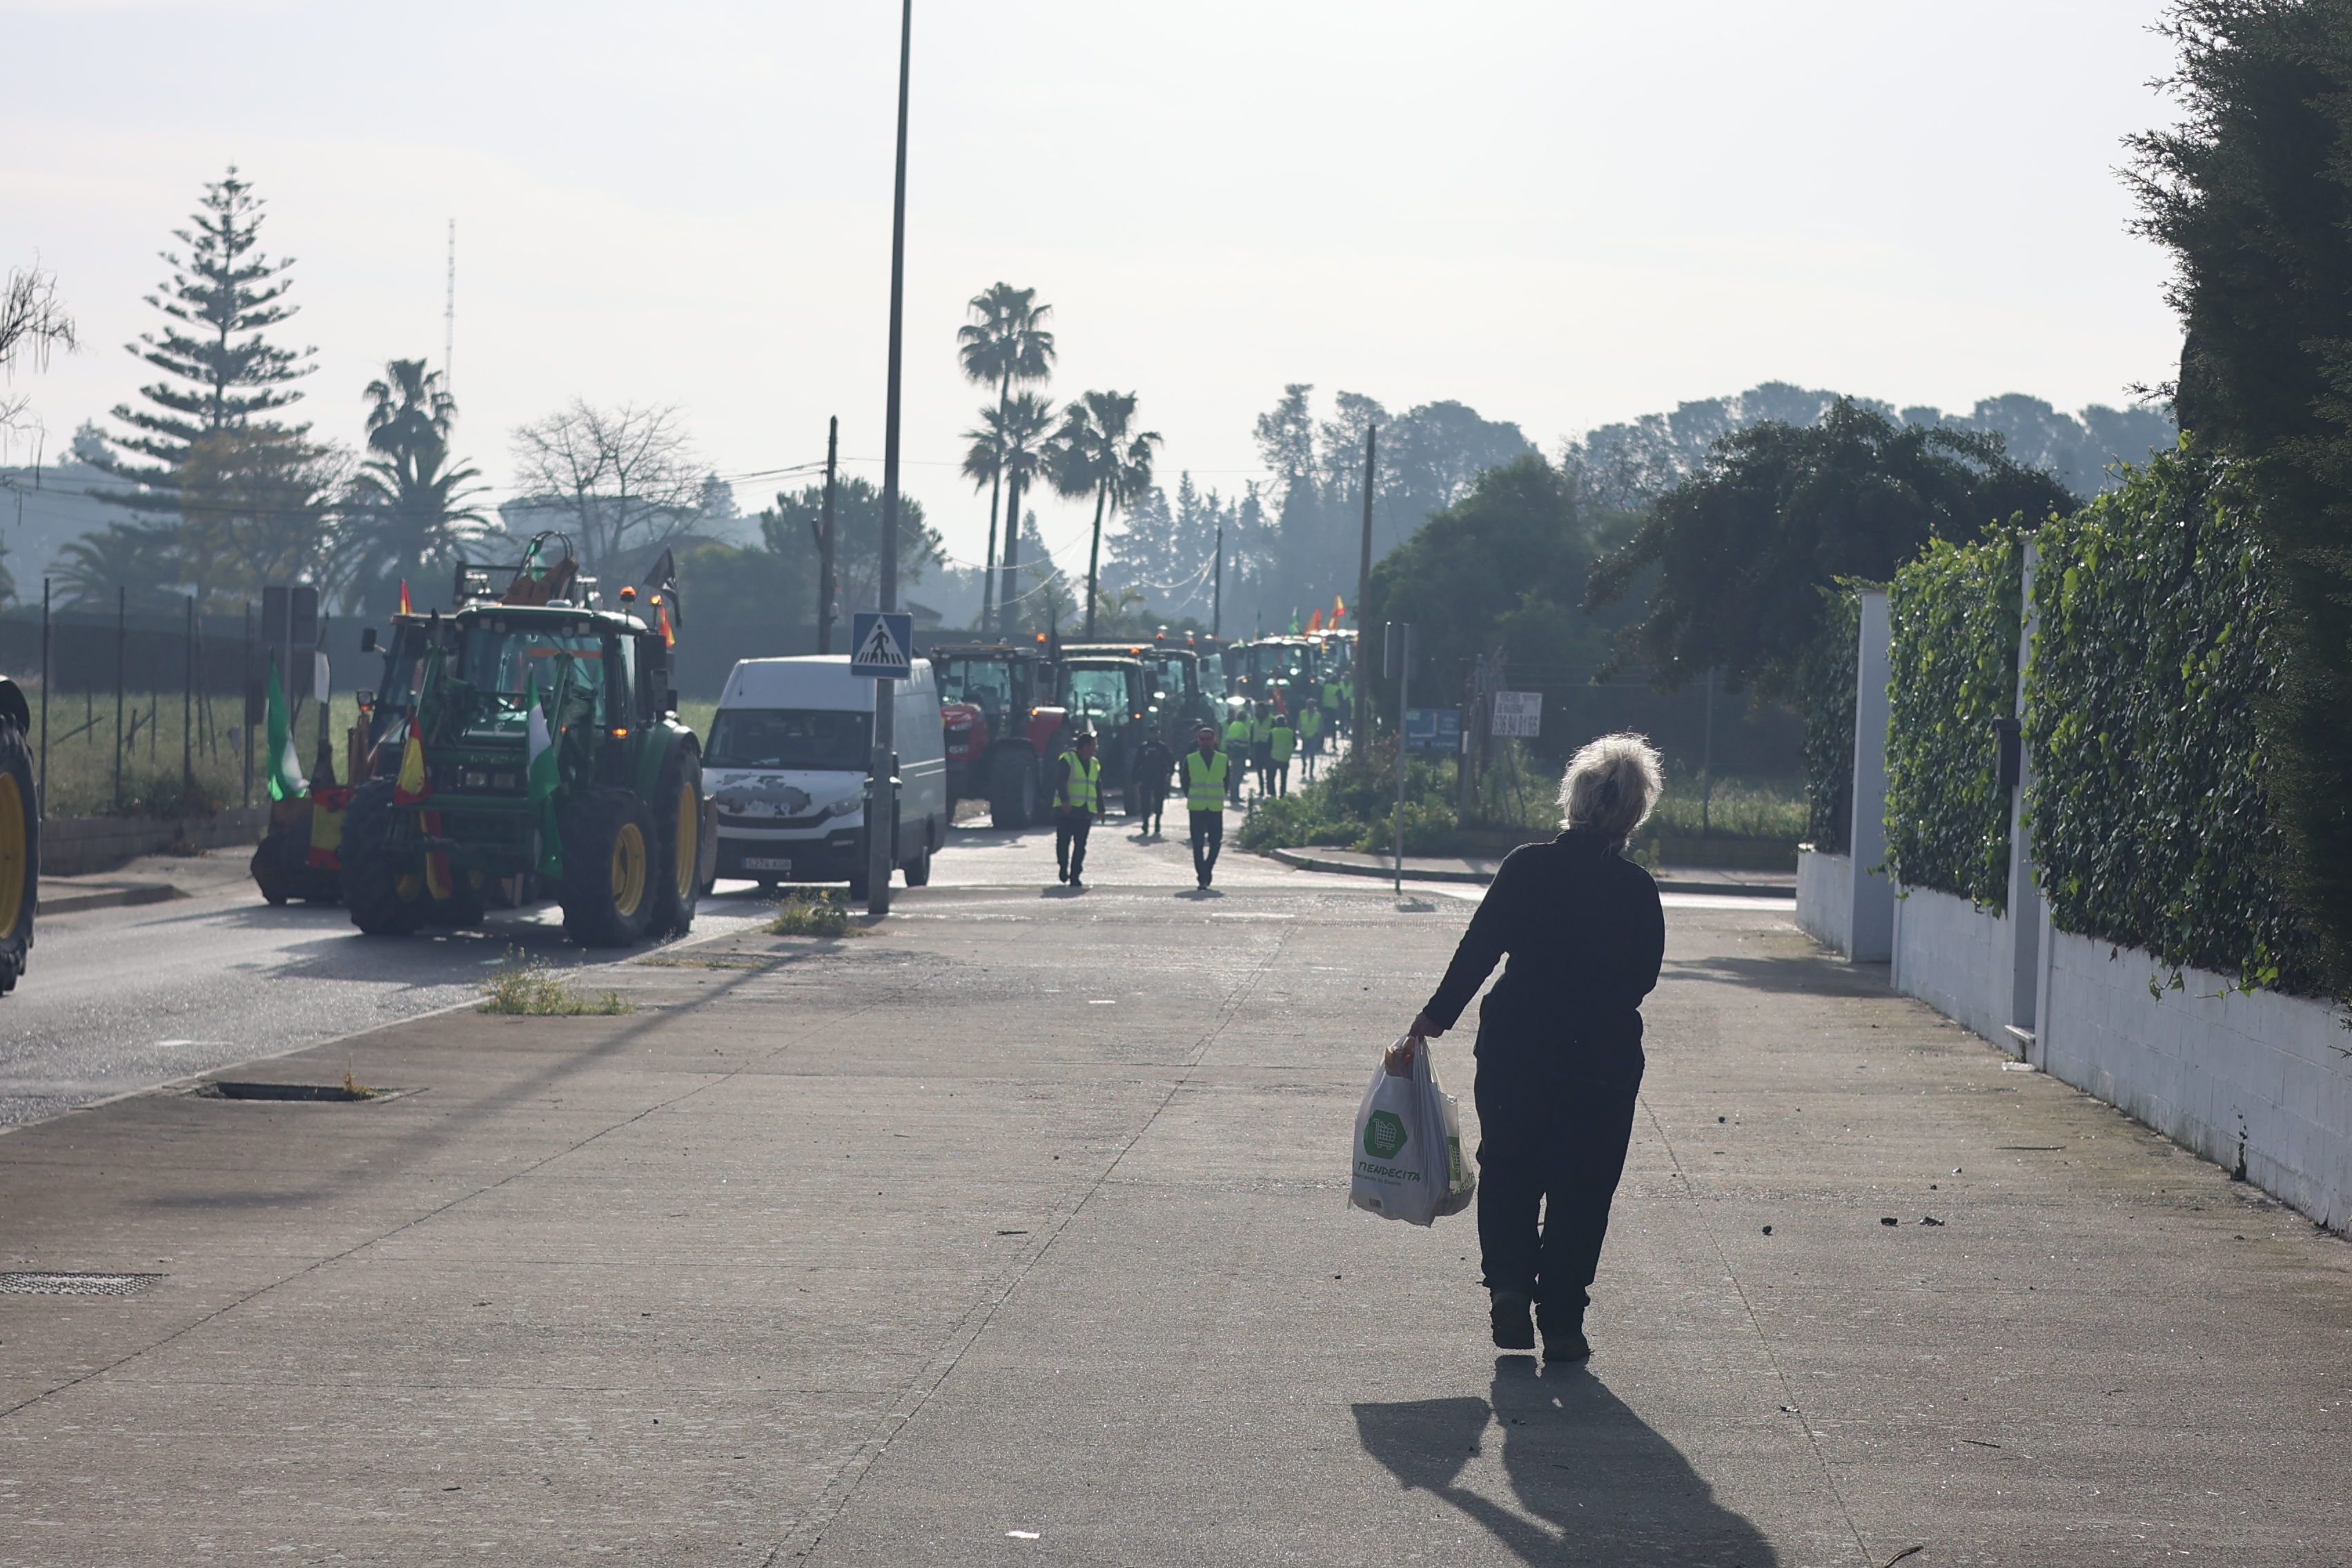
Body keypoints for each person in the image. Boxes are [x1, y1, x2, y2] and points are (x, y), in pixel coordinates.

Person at [1391, 733, 1666, 1365]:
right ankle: (1563, 1321)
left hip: (1517, 1044)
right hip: (1601, 1057)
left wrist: (1434, 1019)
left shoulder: (1526, 867)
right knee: (1584, 1184)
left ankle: (1510, 1288)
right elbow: (1642, 978)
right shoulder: (1636, 889)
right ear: (1633, 813)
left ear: (1575, 799)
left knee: (1510, 1167)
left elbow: (1479, 949)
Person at [1179, 724, 1230, 890]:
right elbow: (1185, 781)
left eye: (1209, 739)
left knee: (1216, 842)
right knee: (1198, 843)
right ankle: (1202, 876)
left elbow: (1227, 782)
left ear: (1214, 740)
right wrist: (1192, 796)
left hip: (1215, 807)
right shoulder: (1191, 759)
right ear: (1198, 741)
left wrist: (1220, 795)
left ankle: (1207, 868)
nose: (1206, 742)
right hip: (1197, 808)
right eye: (1203, 739)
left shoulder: (1223, 759)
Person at [1053, 729, 1105, 889]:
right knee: (1063, 843)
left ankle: (1075, 875)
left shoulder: (1094, 763)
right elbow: (1060, 782)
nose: (1096, 749)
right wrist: (1065, 801)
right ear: (1085, 746)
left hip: (1085, 811)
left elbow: (1097, 786)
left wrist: (1101, 808)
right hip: (1067, 811)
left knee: (1080, 845)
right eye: (1094, 745)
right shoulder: (1068, 760)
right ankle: (1063, 867)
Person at [1133, 727, 1176, 837]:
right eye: (1152, 733)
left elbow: (1171, 760)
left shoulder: (1163, 747)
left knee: (1159, 801)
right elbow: (1137, 763)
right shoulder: (1143, 748)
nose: (1154, 735)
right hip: (1146, 778)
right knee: (1145, 802)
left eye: (1156, 733)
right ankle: (1145, 822)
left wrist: (1170, 772)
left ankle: (1157, 822)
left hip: (1159, 778)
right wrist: (1136, 779)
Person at [1222, 705, 1253, 805]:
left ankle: (1234, 796)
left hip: (1233, 753)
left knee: (1233, 774)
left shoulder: (1233, 725)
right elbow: (1245, 741)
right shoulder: (1242, 727)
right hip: (1239, 754)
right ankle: (1235, 797)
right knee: (1238, 775)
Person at [1268, 709, 1297, 796]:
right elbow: (1295, 744)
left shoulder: (1273, 732)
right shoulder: (1290, 732)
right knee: (1283, 778)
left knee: (1271, 777)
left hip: (1274, 758)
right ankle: (1282, 794)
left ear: (1276, 722)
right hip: (1285, 758)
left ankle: (1273, 793)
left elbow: (1269, 745)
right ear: (1285, 722)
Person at [1300, 699, 1324, 777]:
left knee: (1312, 755)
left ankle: (1311, 772)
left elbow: (1321, 726)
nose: (1309, 706)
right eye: (1308, 704)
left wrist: (1318, 734)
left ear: (1314, 705)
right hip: (1305, 736)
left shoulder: (1318, 715)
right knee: (1303, 754)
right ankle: (1304, 765)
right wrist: (1301, 733)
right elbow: (1299, 724)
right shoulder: (1302, 713)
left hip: (1314, 737)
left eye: (1311, 704)